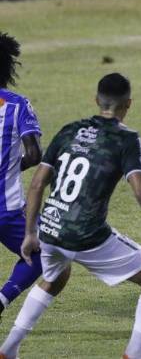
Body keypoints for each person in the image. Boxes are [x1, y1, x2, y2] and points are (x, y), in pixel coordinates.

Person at [0, 73, 141, 359]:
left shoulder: (69, 130)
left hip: (49, 229)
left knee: (57, 275)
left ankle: (9, 348)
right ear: (128, 104)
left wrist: (31, 232)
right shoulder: (126, 138)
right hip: (85, 234)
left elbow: (38, 182)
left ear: (96, 101)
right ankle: (136, 354)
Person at [0, 33, 43, 321]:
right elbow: (35, 154)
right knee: (40, 255)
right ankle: (1, 299)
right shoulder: (16, 105)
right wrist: (14, 167)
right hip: (8, 210)